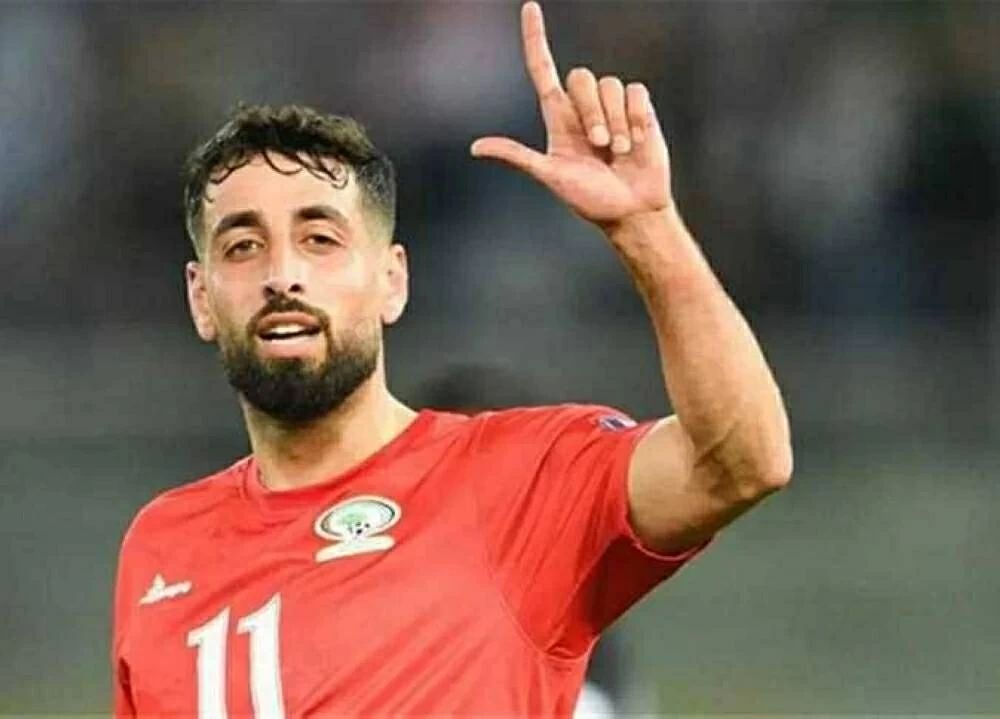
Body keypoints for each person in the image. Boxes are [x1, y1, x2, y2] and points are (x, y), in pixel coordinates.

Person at [112, 3, 792, 716]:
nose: (283, 275)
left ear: (392, 281)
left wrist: (646, 227)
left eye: (320, 239)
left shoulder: (516, 481)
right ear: (201, 297)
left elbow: (741, 462)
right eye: (243, 247)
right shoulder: (162, 547)